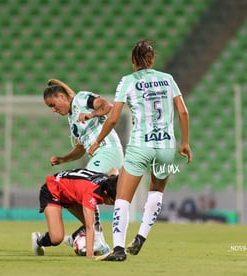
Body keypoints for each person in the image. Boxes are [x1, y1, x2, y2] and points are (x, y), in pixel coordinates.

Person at [88, 39, 193, 261]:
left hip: (140, 146)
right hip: (166, 146)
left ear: (132, 61)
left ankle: (117, 250)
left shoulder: (127, 81)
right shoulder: (167, 79)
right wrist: (185, 143)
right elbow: (183, 112)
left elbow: (113, 118)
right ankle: (141, 237)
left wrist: (98, 140)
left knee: (123, 198)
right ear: (153, 59)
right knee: (156, 192)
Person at [43, 79, 124, 249]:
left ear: (60, 96)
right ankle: (86, 235)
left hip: (107, 149)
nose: (53, 109)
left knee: (86, 187)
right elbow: (81, 149)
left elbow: (107, 106)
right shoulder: (72, 120)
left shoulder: (81, 99)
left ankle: (94, 238)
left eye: (53, 104)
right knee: (78, 193)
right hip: (104, 154)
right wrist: (63, 159)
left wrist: (91, 114)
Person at [31, 168, 118, 257]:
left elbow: (114, 170)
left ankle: (73, 238)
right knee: (56, 238)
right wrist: (90, 255)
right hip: (53, 190)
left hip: (70, 193)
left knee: (95, 225)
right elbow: (89, 227)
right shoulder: (91, 194)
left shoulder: (109, 180)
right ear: (105, 193)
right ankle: (38, 240)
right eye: (112, 202)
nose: (112, 205)